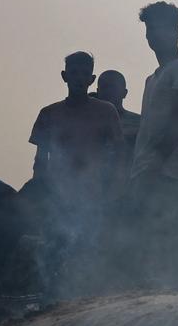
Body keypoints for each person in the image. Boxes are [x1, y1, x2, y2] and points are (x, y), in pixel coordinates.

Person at [130, 1, 178, 285]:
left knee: (161, 250)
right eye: (149, 29)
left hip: (165, 175)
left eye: (160, 28)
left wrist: (152, 169)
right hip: (146, 171)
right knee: (143, 249)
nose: (153, 35)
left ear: (176, 32)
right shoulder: (153, 78)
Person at [29, 52, 122, 231]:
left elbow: (118, 156)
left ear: (91, 79)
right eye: (74, 73)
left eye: (84, 74)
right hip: (58, 196)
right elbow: (40, 160)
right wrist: (39, 192)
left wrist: (114, 193)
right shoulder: (49, 113)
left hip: (95, 196)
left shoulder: (106, 112)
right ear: (65, 76)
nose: (79, 78)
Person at [94, 70, 142, 175]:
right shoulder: (89, 123)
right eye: (105, 87)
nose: (109, 92)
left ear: (124, 93)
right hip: (95, 182)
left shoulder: (139, 123)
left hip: (129, 181)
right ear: (98, 91)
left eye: (113, 88)